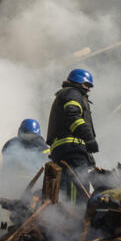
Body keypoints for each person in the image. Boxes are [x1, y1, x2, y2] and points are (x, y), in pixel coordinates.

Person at [46, 68, 98, 204]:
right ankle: (77, 216)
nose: (89, 89)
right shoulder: (72, 93)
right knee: (78, 186)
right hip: (72, 150)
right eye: (87, 85)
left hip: (63, 150)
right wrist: (89, 138)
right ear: (78, 82)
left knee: (66, 188)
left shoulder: (66, 94)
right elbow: (73, 116)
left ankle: (63, 217)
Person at [1, 119, 49, 198]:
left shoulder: (10, 144)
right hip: (35, 186)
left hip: (13, 185)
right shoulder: (43, 146)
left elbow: (4, 170)